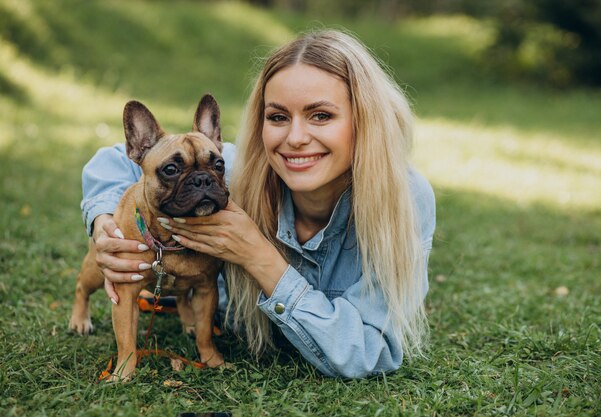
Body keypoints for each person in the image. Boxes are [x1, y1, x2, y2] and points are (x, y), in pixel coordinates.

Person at [81, 29, 436, 378]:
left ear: (365, 120)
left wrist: (258, 255)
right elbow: (114, 160)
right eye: (278, 117)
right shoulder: (235, 171)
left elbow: (368, 353)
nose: (295, 138)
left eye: (321, 115)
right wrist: (104, 224)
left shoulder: (402, 200)